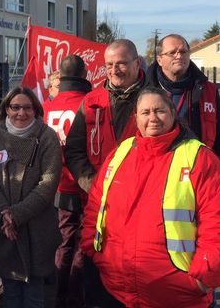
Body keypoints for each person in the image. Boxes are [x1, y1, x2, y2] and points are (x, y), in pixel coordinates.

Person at [81, 87, 220, 307]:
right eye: (145, 113)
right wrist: (94, 251)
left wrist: (204, 277)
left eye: (160, 111)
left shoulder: (199, 158)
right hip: (118, 291)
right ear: (136, 118)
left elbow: (219, 222)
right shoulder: (121, 153)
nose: (152, 118)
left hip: (178, 295)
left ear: (173, 113)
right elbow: (96, 206)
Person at [64, 39, 146, 307]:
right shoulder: (91, 101)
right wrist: (94, 184)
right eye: (109, 64)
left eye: (121, 63)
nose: (114, 70)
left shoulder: (155, 101)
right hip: (96, 209)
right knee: (96, 283)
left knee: (135, 285)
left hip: (140, 210)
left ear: (137, 63)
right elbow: (74, 151)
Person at [0, 87, 62, 308]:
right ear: (7, 108)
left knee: (34, 296)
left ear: (36, 110)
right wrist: (4, 214)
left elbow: (47, 184)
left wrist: (15, 215)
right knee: (11, 294)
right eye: (15, 107)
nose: (21, 113)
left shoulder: (47, 137)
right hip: (2, 228)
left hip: (37, 228)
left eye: (27, 108)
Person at [43, 55, 91, 308]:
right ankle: (75, 299)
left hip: (58, 185)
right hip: (85, 185)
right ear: (84, 76)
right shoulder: (90, 103)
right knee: (83, 246)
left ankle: (58, 298)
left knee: (64, 243)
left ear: (60, 78)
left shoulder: (46, 106)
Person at [147, 34, 220, 168]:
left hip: (198, 170)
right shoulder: (144, 91)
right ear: (159, 59)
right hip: (155, 169)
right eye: (172, 53)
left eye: (183, 52)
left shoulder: (208, 90)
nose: (179, 56)